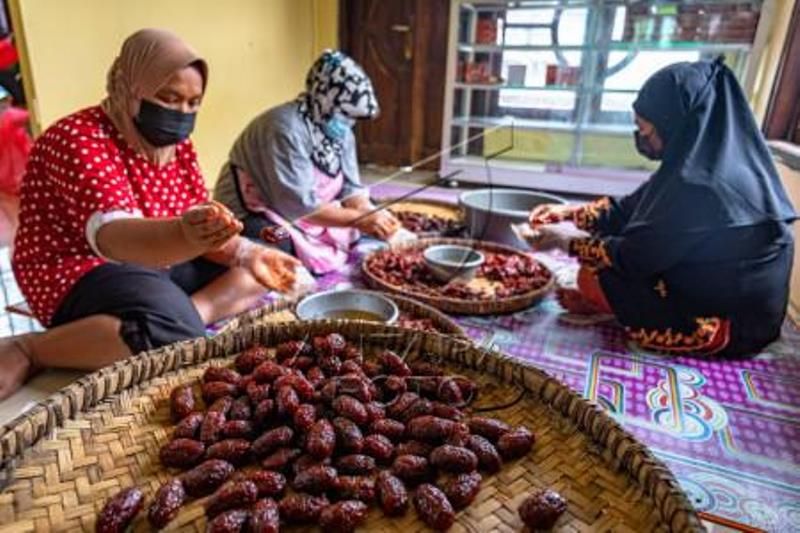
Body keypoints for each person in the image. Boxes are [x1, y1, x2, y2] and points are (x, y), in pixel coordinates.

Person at [0, 29, 300, 400]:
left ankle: (177, 316)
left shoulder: (177, 147)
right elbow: (113, 238)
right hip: (78, 267)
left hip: (158, 259)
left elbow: (194, 223)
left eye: (193, 104)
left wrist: (247, 253)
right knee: (175, 324)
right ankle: (32, 347)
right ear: (132, 86)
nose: (181, 114)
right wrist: (188, 236)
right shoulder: (79, 139)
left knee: (269, 252)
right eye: (169, 98)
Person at [529, 57, 796, 357]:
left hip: (726, 321)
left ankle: (617, 309)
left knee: (594, 275)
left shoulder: (703, 186)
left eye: (646, 130)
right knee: (601, 271)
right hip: (699, 280)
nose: (641, 138)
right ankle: (614, 306)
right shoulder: (700, 161)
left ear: (674, 124)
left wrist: (565, 241)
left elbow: (633, 256)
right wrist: (566, 213)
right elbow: (630, 209)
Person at [214, 50, 401, 275]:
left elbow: (351, 187)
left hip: (311, 210)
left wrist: (365, 210)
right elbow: (299, 207)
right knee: (275, 241)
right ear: (324, 99)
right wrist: (360, 219)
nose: (347, 123)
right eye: (343, 114)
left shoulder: (341, 133)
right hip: (263, 209)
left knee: (373, 217)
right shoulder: (284, 129)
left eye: (352, 117)